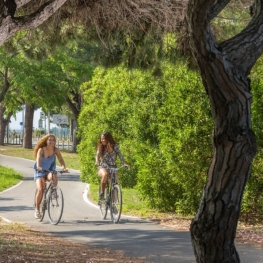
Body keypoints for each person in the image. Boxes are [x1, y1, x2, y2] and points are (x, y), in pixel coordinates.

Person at [33, 134, 68, 219]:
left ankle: (53, 191)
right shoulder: (41, 149)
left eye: (53, 140)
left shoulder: (55, 150)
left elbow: (60, 159)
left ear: (55, 142)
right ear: (46, 141)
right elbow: (38, 159)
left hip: (49, 171)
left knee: (54, 175)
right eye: (49, 140)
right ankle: (37, 210)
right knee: (41, 189)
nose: (51, 141)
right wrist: (39, 166)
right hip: (40, 171)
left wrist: (63, 167)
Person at [95, 131, 129, 201]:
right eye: (101, 139)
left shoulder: (115, 146)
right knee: (105, 175)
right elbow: (97, 156)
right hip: (103, 166)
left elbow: (120, 155)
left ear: (108, 138)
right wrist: (97, 161)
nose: (102, 140)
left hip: (113, 167)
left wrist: (124, 163)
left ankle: (114, 202)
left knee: (116, 181)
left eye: (104, 138)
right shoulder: (101, 146)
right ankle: (102, 194)